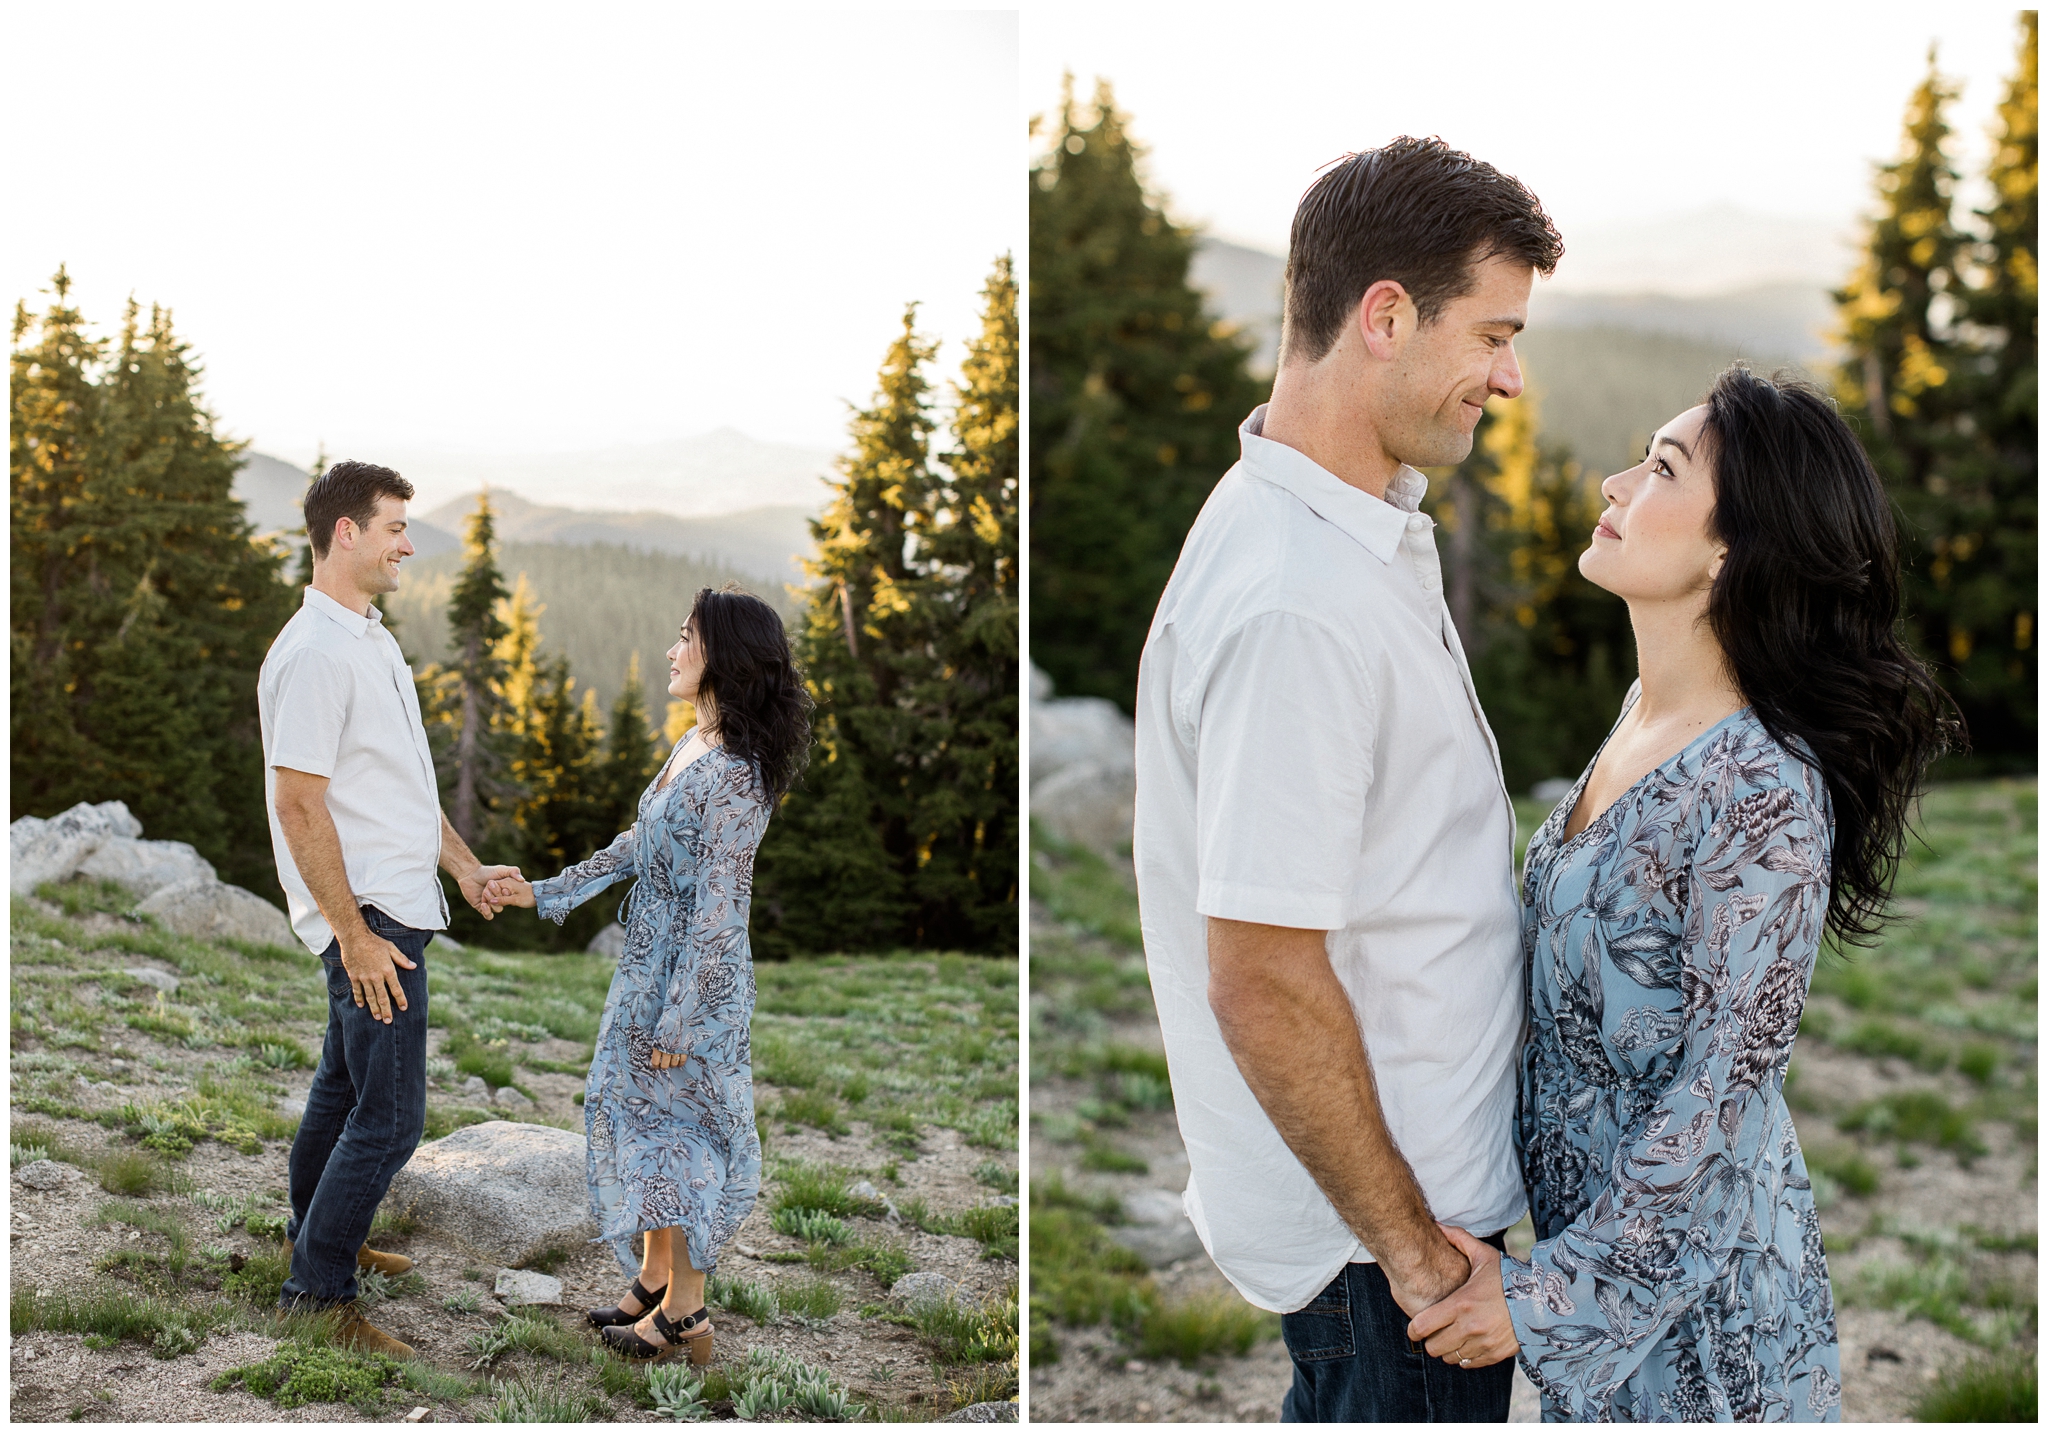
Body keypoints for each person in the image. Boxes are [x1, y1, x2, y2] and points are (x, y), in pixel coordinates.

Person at [1406, 368, 1953, 1421]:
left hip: (1706, 1328)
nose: (1612, 483)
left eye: (1659, 468)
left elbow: (1717, 1102)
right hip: (1601, 1273)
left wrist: (1544, 1301)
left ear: (1730, 551)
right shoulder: (1640, 714)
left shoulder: (1759, 793)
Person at [1132, 136, 1563, 1422]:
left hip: (1394, 1214)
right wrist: (1421, 1254)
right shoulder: (1296, 603)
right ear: (1384, 316)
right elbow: (1259, 971)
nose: (1510, 373)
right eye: (1490, 333)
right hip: (1386, 1244)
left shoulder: (1333, 521)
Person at [487, 585, 811, 1364]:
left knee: (690, 1133)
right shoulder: (697, 741)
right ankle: (656, 1276)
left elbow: (719, 908)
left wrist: (681, 1017)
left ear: (722, 658)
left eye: (685, 638)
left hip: (693, 983)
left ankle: (687, 1313)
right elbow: (642, 843)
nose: (671, 651)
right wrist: (546, 889)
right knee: (645, 1123)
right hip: (648, 965)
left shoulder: (737, 773)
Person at [261, 461, 522, 1357]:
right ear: (345, 532)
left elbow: (402, 787)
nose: (408, 543)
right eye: (394, 527)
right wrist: (354, 936)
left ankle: (318, 1233)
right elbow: (300, 804)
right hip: (368, 919)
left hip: (397, 906)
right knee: (394, 1115)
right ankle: (317, 1294)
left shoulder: (369, 638)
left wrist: (464, 864)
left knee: (344, 1092)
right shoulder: (314, 654)